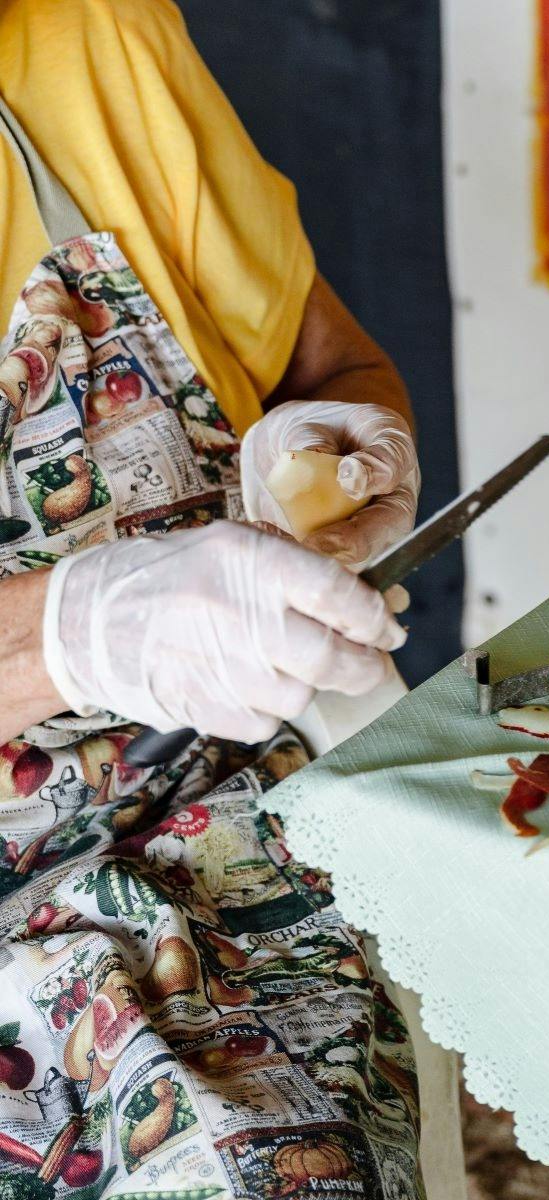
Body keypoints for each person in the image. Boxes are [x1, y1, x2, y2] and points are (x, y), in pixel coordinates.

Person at [0, 1, 424, 1193]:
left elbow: (331, 364)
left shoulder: (92, 37)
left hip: (211, 829)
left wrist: (340, 449)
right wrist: (74, 632)